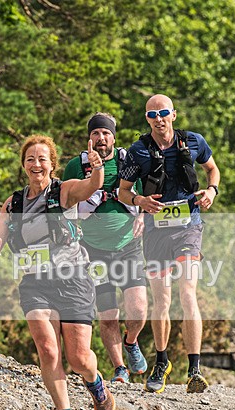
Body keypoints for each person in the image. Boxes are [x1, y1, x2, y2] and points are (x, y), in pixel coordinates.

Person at [0, 134, 115, 410]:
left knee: (79, 358)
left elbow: (91, 186)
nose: (36, 164)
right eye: (30, 159)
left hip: (73, 279)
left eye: (42, 159)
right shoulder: (14, 201)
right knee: (48, 349)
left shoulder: (63, 191)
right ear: (23, 165)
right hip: (35, 283)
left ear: (52, 164)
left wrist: (97, 170)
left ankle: (95, 383)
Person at [117, 94, 220, 394]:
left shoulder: (194, 142)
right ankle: (162, 362)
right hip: (156, 231)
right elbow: (123, 192)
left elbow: (212, 169)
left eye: (163, 112)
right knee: (161, 301)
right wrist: (139, 200)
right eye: (152, 114)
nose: (158, 118)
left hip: (189, 227)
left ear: (173, 114)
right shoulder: (138, 152)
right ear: (146, 119)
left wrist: (212, 191)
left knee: (188, 293)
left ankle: (195, 368)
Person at [62, 113, 148, 386]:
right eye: (96, 133)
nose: (101, 138)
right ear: (90, 137)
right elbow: (64, 201)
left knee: (138, 311)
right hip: (93, 250)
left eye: (106, 133)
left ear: (114, 137)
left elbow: (145, 196)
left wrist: (144, 216)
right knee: (108, 316)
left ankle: (131, 341)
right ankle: (120, 368)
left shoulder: (129, 163)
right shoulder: (76, 166)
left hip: (128, 247)